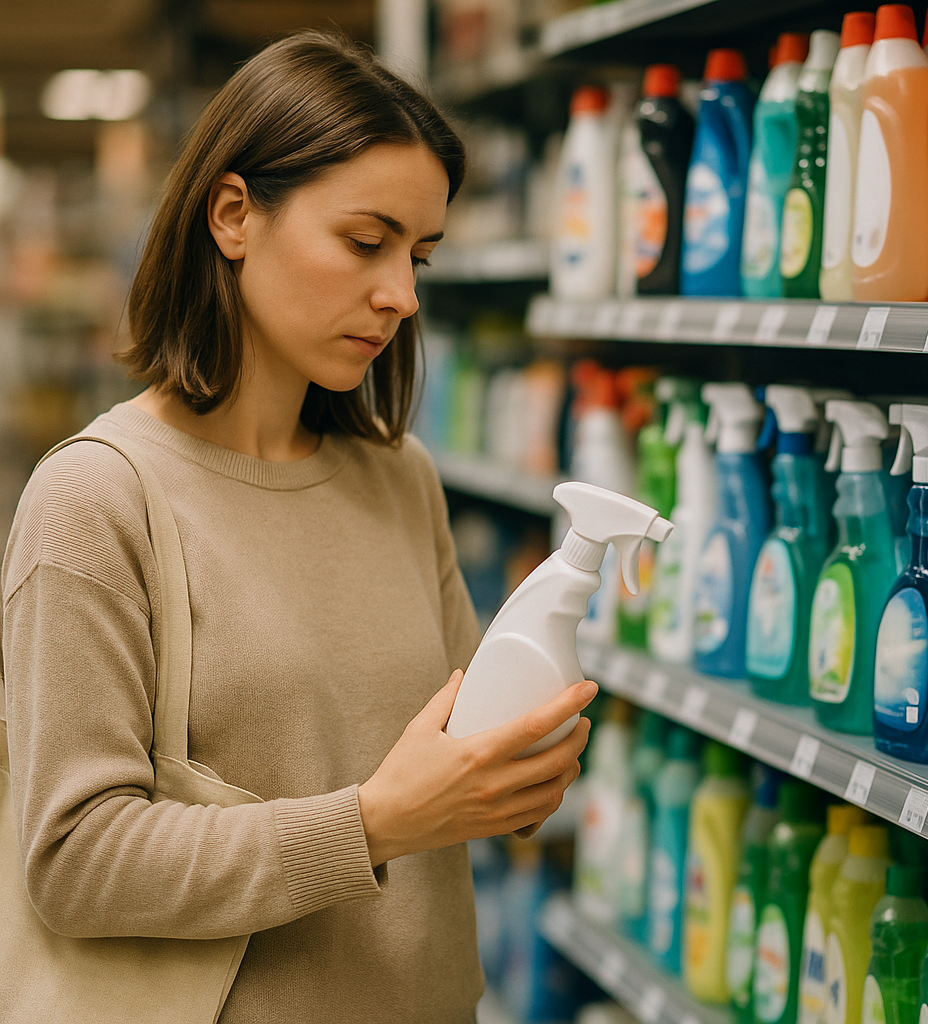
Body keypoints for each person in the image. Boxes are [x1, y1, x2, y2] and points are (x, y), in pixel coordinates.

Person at [0, 31, 594, 1023]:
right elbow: (73, 858)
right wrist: (371, 824)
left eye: (419, 256)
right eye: (367, 242)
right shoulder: (97, 499)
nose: (401, 294)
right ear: (233, 214)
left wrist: (522, 763)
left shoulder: (400, 480)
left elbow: (459, 760)